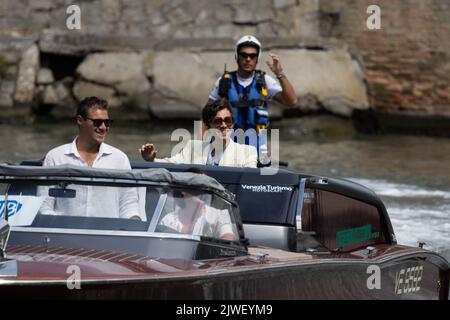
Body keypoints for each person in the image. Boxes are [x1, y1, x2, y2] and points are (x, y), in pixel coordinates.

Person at [40, 96, 144, 220]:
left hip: (108, 236)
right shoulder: (55, 157)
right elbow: (44, 205)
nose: (104, 127)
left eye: (107, 123)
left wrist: (133, 224)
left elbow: (129, 204)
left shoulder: (120, 159)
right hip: (65, 235)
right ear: (80, 120)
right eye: (98, 122)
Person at [207, 35, 298, 163]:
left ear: (257, 58)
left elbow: (292, 102)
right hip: (227, 146)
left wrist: (279, 74)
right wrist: (205, 147)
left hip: (256, 149)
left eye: (252, 56)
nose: (248, 59)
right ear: (237, 56)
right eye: (244, 55)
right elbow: (206, 115)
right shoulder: (224, 82)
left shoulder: (265, 81)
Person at [139, 100, 257, 167]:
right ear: (208, 125)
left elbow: (249, 183)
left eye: (228, 120)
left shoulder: (247, 152)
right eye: (217, 121)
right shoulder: (192, 148)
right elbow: (171, 165)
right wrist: (151, 160)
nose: (224, 125)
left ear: (233, 123)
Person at [157, 168, 237, 241]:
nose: (203, 191)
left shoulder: (219, 215)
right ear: (183, 190)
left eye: (206, 187)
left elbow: (228, 238)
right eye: (197, 186)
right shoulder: (169, 220)